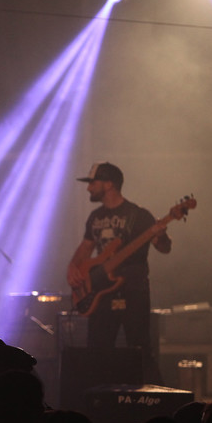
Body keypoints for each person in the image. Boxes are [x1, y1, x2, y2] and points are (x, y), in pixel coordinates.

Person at [66, 162, 171, 382]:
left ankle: (150, 396)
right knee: (97, 350)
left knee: (140, 349)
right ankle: (98, 396)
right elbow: (86, 248)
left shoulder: (139, 215)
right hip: (101, 292)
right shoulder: (95, 217)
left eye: (93, 183)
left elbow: (163, 248)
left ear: (109, 184)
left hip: (133, 291)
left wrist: (161, 236)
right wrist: (72, 268)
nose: (89, 188)